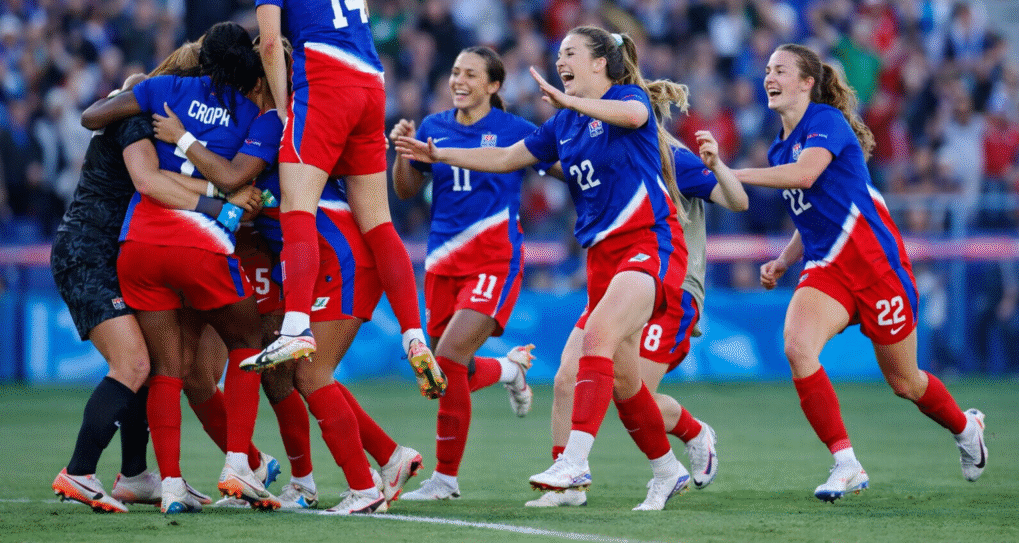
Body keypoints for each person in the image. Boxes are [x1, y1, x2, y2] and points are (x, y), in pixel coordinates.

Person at [398, 26, 690, 511]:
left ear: (600, 62)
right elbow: (506, 157)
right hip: (601, 257)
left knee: (597, 339)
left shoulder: (625, 98)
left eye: (571, 53)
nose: (561, 61)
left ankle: (574, 463)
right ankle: (666, 468)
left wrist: (571, 102)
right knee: (615, 381)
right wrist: (439, 153)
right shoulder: (563, 125)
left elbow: (636, 115)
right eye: (559, 54)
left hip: (648, 243)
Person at [155, 38, 422, 515]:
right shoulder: (283, 119)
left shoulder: (280, 121)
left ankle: (362, 489)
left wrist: (183, 144)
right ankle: (381, 459)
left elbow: (236, 179)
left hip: (337, 257)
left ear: (258, 81)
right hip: (314, 259)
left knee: (308, 372)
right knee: (287, 373)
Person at [733, 43, 987, 501]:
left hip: (876, 268)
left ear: (807, 83)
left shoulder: (826, 121)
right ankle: (846, 463)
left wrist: (731, 174)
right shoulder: (779, 148)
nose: (769, 77)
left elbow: (806, 175)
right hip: (828, 269)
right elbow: (810, 211)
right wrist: (786, 260)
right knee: (797, 347)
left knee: (905, 383)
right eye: (767, 69)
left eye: (781, 70)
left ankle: (966, 428)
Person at [227, 0, 445, 399]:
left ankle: (296, 327)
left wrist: (284, 108)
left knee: (297, 207)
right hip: (371, 84)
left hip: (324, 83)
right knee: (379, 223)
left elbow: (271, 44)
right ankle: (415, 335)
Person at [50, 43, 261, 513]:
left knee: (148, 366)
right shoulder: (139, 119)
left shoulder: (148, 113)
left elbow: (169, 178)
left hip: (112, 252)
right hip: (89, 253)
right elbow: (150, 182)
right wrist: (220, 203)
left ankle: (134, 476)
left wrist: (217, 186)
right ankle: (79, 472)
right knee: (134, 365)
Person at [527, 126, 748, 507]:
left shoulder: (672, 159)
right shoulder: (608, 151)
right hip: (621, 276)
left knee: (630, 390)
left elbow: (738, 201)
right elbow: (571, 170)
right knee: (566, 378)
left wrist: (717, 166)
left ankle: (693, 433)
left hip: (671, 285)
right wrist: (533, 152)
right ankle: (568, 484)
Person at [389, 47, 540, 501]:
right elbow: (406, 190)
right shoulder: (433, 126)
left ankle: (445, 480)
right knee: (440, 373)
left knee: (450, 357)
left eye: (471, 74)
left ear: (493, 86)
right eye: (455, 72)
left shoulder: (516, 130)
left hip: (494, 258)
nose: (459, 80)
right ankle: (509, 370)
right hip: (442, 262)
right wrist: (402, 152)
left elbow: (560, 168)